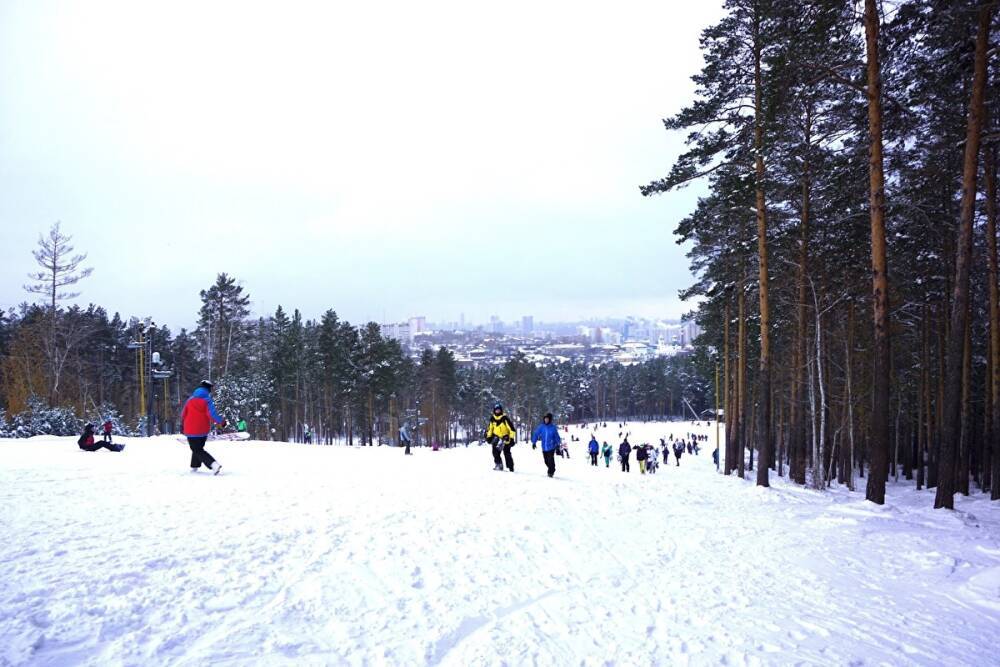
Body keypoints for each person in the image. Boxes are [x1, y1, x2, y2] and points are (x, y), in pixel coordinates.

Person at [181, 380, 226, 474]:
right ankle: (194, 466)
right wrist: (221, 422)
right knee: (198, 448)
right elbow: (212, 414)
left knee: (197, 449)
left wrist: (182, 425)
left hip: (190, 429)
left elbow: (183, 414)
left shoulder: (190, 400)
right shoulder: (207, 400)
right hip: (203, 429)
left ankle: (213, 464)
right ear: (208, 389)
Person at [485, 403, 516, 472]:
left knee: (507, 453)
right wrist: (489, 437)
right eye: (496, 410)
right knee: (495, 452)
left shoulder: (505, 418)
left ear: (501, 410)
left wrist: (511, 438)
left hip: (505, 438)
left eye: (499, 410)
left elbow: (512, 429)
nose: (497, 411)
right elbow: (490, 429)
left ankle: (511, 467)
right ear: (494, 411)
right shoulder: (492, 418)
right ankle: (499, 465)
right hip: (496, 438)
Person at [531, 412, 561, 478]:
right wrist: (534, 442)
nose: (546, 420)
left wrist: (558, 445)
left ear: (550, 419)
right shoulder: (541, 427)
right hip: (544, 447)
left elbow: (557, 437)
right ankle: (552, 468)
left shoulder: (553, 428)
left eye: (547, 419)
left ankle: (550, 472)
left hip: (551, 447)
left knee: (550, 460)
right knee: (546, 461)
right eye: (545, 419)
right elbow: (536, 434)